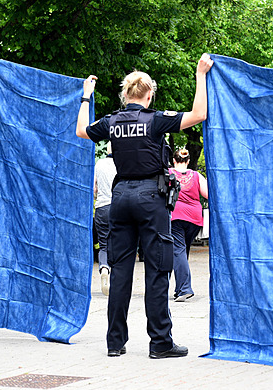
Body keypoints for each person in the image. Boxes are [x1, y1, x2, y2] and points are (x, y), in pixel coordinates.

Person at [76, 53, 214, 358]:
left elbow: (81, 131)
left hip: (120, 197)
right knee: (157, 268)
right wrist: (201, 75)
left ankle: (115, 343)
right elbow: (198, 114)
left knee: (121, 270)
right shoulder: (156, 120)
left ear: (126, 95)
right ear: (149, 95)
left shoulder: (111, 121)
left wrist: (86, 96)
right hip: (151, 198)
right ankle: (160, 343)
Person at [169, 148, 208, 302]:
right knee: (182, 251)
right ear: (188, 161)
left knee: (178, 251)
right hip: (194, 218)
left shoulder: (168, 173)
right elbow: (208, 194)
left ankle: (185, 288)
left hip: (176, 215)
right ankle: (180, 288)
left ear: (174, 160)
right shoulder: (197, 175)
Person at [94, 141, 117, 296]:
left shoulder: (99, 164)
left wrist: (98, 195)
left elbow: (94, 187)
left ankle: (103, 268)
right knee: (119, 244)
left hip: (102, 207)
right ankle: (116, 279)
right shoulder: (123, 163)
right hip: (119, 207)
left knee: (103, 244)